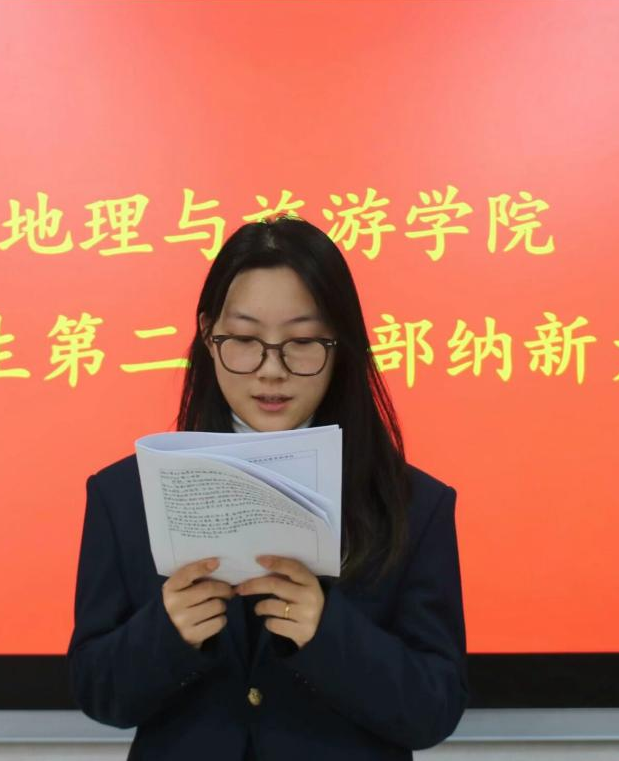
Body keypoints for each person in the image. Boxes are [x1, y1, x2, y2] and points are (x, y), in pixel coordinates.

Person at [67, 215, 468, 759]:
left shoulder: (415, 504)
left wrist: (327, 631)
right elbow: (97, 692)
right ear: (208, 336)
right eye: (245, 339)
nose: (271, 370)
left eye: (301, 341)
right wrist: (167, 632)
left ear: (340, 344)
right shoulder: (123, 495)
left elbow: (434, 710)